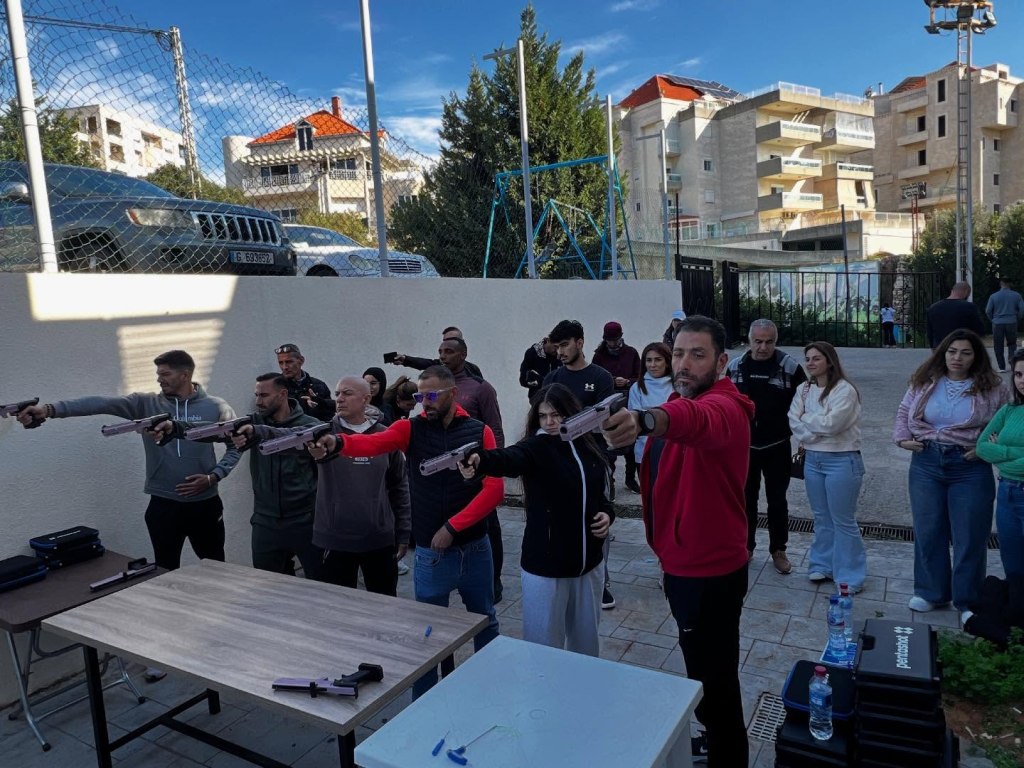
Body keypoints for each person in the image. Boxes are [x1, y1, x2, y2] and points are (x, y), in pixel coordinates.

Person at [602, 315, 753, 767]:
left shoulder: (726, 407)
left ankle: (728, 757)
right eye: (680, 353)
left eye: (698, 355)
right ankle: (714, 739)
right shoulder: (677, 397)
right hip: (682, 561)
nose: (684, 364)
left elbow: (696, 420)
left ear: (722, 362)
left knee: (717, 682)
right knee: (702, 671)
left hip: (709, 571)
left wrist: (645, 419)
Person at [309, 365, 502, 697]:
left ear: (453, 394)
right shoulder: (410, 428)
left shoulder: (479, 431)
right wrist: (337, 442)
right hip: (431, 554)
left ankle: (493, 687)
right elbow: (372, 443)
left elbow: (494, 490)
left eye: (431, 395)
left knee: (485, 620)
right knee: (426, 632)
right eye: (419, 396)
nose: (424, 402)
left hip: (474, 548)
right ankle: (423, 702)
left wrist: (452, 527)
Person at [16, 350, 241, 571]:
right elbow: (100, 403)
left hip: (205, 504)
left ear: (185, 375)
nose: (159, 379)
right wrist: (49, 410)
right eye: (158, 374)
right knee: (165, 569)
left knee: (215, 567)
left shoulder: (216, 406)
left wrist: (214, 477)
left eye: (165, 374)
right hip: (163, 504)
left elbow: (238, 444)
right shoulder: (146, 404)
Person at [459, 384, 613, 656]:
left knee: (586, 648)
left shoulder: (588, 444)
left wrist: (607, 514)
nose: (550, 422)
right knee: (543, 650)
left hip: (589, 565)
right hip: (546, 569)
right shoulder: (536, 447)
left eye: (556, 414)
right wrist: (479, 460)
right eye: (543, 416)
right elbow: (508, 458)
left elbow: (599, 494)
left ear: (571, 412)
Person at [245, 377, 411, 596]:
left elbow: (399, 486)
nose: (339, 399)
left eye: (347, 393)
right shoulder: (322, 433)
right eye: (337, 394)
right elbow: (288, 435)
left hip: (378, 538)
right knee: (337, 605)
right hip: (335, 540)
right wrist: (255, 431)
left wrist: (403, 532)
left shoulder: (385, 436)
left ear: (366, 399)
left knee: (384, 603)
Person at [894, 329, 1006, 623]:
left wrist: (984, 448)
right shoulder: (926, 380)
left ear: (976, 357)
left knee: (970, 534)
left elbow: (1003, 423)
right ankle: (931, 592)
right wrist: (902, 438)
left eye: (966, 353)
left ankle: (967, 598)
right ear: (943, 353)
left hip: (969, 466)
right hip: (926, 462)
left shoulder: (993, 387)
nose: (957, 358)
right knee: (929, 530)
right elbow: (905, 410)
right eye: (952, 351)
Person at [543, 319, 617, 609]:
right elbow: (542, 418)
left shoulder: (601, 377)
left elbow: (605, 420)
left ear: (580, 343)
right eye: (556, 346)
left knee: (598, 519)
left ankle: (602, 580)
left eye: (564, 345)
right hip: (558, 462)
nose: (560, 352)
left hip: (593, 459)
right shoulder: (552, 379)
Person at [726, 319, 807, 574]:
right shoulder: (735, 366)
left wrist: (803, 438)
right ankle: (746, 547)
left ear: (776, 341)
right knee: (745, 500)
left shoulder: (790, 367)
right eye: (758, 341)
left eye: (769, 342)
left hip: (777, 445)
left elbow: (805, 405)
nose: (763, 347)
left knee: (777, 500)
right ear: (749, 341)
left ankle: (778, 549)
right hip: (744, 447)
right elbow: (724, 403)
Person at [788, 342, 867, 591]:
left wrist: (807, 421)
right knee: (821, 517)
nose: (810, 363)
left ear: (830, 361)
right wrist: (814, 430)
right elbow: (793, 420)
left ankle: (850, 576)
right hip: (813, 460)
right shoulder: (803, 389)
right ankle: (822, 565)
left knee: (843, 520)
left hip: (842, 459)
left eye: (816, 358)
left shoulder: (845, 390)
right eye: (808, 359)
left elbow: (833, 424)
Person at [435, 336, 506, 601]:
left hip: (478, 471)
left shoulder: (480, 388)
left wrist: (493, 465)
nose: (443, 356)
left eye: (449, 351)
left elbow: (495, 428)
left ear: (463, 355)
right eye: (440, 351)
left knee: (488, 524)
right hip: (446, 474)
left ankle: (493, 580)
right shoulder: (436, 387)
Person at [231, 373, 320, 577]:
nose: (258, 401)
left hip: (305, 520)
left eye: (264, 395)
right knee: (268, 584)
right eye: (256, 395)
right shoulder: (251, 424)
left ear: (283, 394)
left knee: (321, 583)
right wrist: (175, 428)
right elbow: (214, 430)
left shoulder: (311, 425)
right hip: (266, 521)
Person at [977, 348, 1024, 582]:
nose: (1022, 381)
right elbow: (982, 447)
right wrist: (1015, 453)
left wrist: (1001, 453)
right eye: (1019, 374)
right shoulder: (1010, 409)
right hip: (1007, 492)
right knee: (1013, 565)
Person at [592, 321, 643, 493]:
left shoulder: (631, 353)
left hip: (629, 400)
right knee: (611, 443)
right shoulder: (599, 356)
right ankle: (610, 479)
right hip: (608, 402)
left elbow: (641, 377)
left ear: (621, 337)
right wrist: (612, 381)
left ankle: (630, 479)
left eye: (615, 340)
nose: (612, 343)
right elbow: (595, 378)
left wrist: (628, 381)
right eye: (609, 340)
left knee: (631, 442)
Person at [627, 342, 673, 494]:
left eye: (658, 359)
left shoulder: (678, 386)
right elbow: (635, 421)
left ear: (667, 361)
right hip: (645, 450)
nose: (653, 365)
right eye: (649, 360)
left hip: (673, 451)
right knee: (651, 495)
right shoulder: (637, 388)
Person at [390, 326, 484, 379]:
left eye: (452, 340)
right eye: (445, 341)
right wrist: (405, 359)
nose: (447, 344)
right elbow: (427, 363)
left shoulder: (472, 370)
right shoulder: (441, 366)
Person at [275, 343, 334, 421]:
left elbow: (329, 417)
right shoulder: (275, 387)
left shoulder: (319, 385)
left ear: (301, 361)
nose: (284, 367)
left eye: (289, 362)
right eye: (281, 363)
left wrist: (319, 404)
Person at [926, 281, 984, 349]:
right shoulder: (969, 307)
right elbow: (979, 330)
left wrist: (933, 348)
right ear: (966, 292)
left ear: (952, 291)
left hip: (940, 348)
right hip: (961, 348)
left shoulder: (933, 308)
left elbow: (930, 333)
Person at [986, 278, 1024, 372]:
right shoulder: (1017, 295)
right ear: (1010, 284)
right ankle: (1012, 364)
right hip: (1011, 321)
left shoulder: (993, 296)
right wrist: (1016, 318)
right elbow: (1021, 310)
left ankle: (1001, 367)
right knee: (1012, 344)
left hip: (997, 323)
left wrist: (993, 320)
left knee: (998, 345)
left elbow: (988, 311)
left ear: (1001, 284)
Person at [519, 336, 560, 401]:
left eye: (559, 347)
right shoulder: (532, 353)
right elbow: (523, 380)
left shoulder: (559, 355)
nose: (557, 350)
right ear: (548, 341)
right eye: (555, 346)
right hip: (538, 399)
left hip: (557, 399)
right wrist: (538, 381)